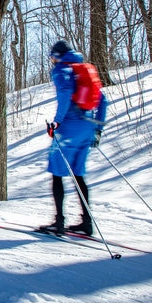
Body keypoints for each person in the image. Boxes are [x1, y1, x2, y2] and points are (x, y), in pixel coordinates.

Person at [40, 40, 106, 236]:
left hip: (69, 127)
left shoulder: (62, 70)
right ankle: (87, 222)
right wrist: (97, 129)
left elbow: (66, 93)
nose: (52, 60)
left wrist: (57, 122)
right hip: (87, 127)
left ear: (58, 56)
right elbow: (103, 101)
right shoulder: (85, 69)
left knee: (57, 173)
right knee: (78, 174)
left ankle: (58, 223)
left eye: (52, 57)